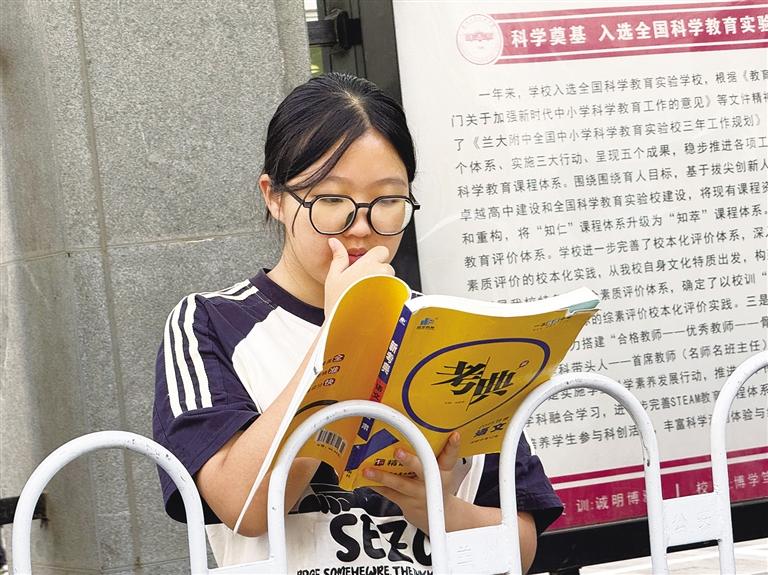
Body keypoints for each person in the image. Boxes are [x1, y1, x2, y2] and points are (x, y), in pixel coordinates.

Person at [153, 72, 563, 573]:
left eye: (388, 201)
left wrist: (436, 509)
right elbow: (243, 507)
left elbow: (522, 548)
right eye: (331, 201)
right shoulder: (210, 322)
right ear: (274, 197)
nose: (363, 228)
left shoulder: (445, 331)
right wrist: (345, 331)